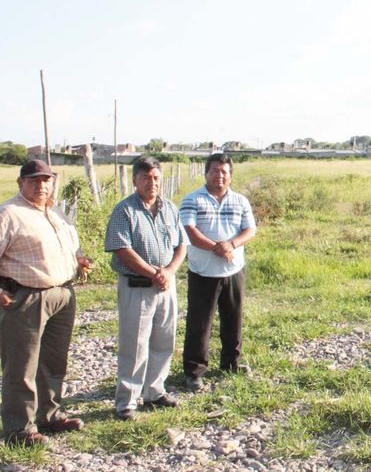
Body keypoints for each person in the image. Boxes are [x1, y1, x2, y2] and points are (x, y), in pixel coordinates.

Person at [0, 160, 91, 446]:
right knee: (21, 365)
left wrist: (78, 260)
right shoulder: (10, 214)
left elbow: (70, 247)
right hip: (26, 297)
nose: (41, 185)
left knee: (52, 362)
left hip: (62, 294)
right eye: (34, 180)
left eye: (46, 180)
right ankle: (19, 430)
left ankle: (49, 415)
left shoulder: (55, 212)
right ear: (21, 183)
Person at [105, 156, 186, 420]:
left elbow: (181, 245)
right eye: (145, 178)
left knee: (164, 339)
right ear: (135, 181)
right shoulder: (124, 210)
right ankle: (126, 401)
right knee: (135, 343)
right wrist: (153, 273)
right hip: (138, 285)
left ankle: (154, 391)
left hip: (166, 284)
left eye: (155, 178)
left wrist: (169, 272)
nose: (151, 183)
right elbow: (122, 249)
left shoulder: (170, 209)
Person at [180, 153, 256, 391]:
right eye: (214, 171)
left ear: (230, 176)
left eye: (224, 172)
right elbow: (189, 231)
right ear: (206, 173)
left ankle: (230, 364)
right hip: (202, 272)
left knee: (233, 319)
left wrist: (230, 245)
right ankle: (194, 371)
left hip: (233, 270)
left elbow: (250, 230)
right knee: (199, 323)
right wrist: (217, 247)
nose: (219, 176)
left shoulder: (241, 201)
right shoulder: (192, 200)